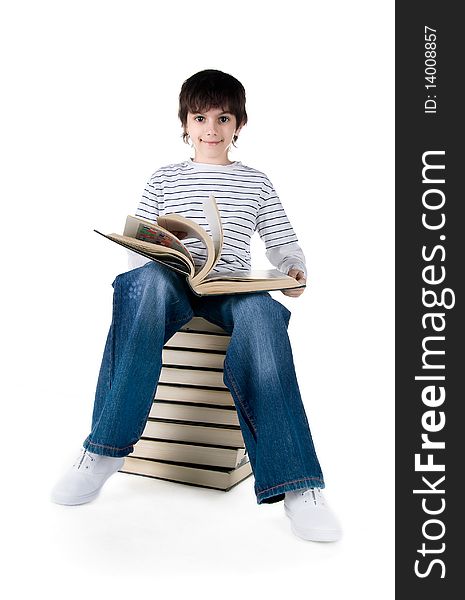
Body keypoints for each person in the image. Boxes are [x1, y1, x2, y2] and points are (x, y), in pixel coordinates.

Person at [51, 69, 342, 542]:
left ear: (238, 125)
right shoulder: (163, 177)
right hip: (174, 282)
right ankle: (103, 451)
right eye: (200, 117)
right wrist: (163, 255)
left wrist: (294, 272)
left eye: (223, 118)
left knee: (264, 314)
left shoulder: (255, 182)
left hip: (229, 288)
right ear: (185, 123)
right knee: (142, 284)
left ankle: (299, 485)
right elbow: (138, 241)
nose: (211, 128)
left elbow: (284, 244)